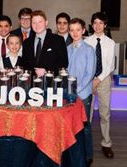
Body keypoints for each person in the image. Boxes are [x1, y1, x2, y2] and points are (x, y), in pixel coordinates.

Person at [85, 12, 115, 159]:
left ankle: (106, 144)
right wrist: (91, 79)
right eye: (95, 22)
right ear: (92, 24)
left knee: (105, 113)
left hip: (104, 80)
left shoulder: (110, 43)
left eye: (100, 23)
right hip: (88, 80)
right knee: (86, 114)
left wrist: (98, 79)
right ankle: (86, 144)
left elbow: (110, 65)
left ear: (105, 25)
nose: (97, 25)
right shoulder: (86, 41)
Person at [67, 18, 96, 166]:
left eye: (78, 30)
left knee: (84, 126)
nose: (75, 33)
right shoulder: (68, 48)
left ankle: (88, 155)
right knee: (72, 126)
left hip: (83, 95)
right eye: (72, 30)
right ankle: (75, 155)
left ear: (83, 31)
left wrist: (76, 91)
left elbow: (89, 73)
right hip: (69, 95)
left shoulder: (89, 50)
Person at [20, 10, 68, 77]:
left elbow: (63, 63)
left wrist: (46, 71)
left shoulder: (58, 40)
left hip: (51, 82)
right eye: (34, 22)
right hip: (31, 84)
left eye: (40, 22)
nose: (37, 25)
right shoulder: (26, 42)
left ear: (46, 22)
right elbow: (24, 63)